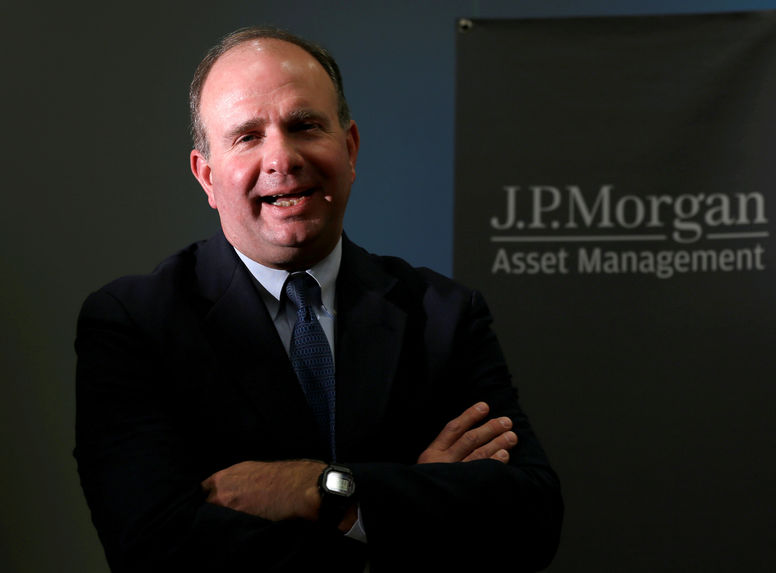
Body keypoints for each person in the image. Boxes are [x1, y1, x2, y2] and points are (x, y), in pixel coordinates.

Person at [74, 26, 563, 572]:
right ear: (207, 176)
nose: (281, 157)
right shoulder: (133, 324)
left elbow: (530, 519)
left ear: (349, 148)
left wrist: (322, 489)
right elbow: (155, 549)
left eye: (304, 125)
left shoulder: (443, 314)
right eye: (247, 136)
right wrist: (405, 500)